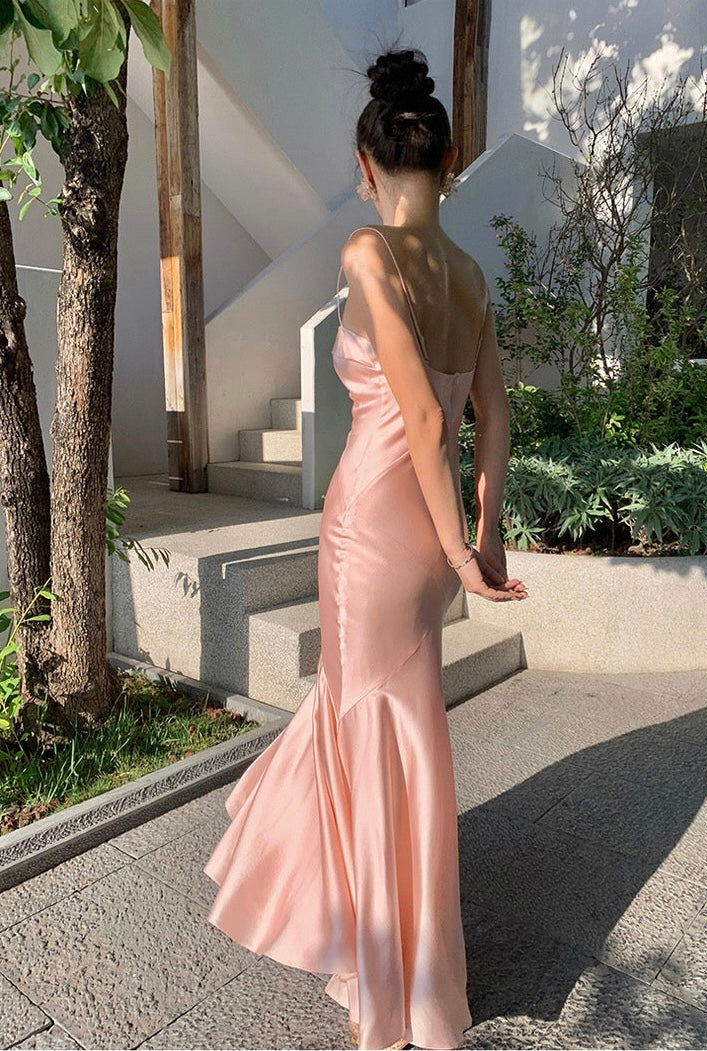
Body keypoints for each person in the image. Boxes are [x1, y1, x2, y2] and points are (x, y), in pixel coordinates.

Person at [202, 47, 528, 1051]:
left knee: (367, 731)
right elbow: (491, 419)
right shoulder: (470, 276)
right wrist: (479, 537)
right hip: (429, 543)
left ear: (365, 164)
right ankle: (396, 968)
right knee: (400, 731)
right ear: (450, 161)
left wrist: (463, 552)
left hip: (371, 535)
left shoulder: (366, 254)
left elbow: (422, 423)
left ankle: (383, 992)